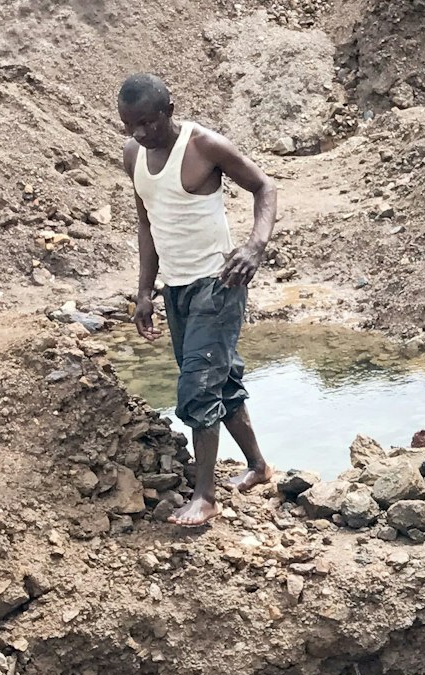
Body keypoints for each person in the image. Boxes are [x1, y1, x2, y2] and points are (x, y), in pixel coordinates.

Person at [119, 73, 280, 527]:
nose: (139, 134)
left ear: (168, 111)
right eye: (129, 125)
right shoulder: (133, 154)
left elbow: (264, 187)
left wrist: (254, 247)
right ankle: (258, 466)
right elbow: (146, 224)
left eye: (147, 123)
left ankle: (205, 497)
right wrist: (145, 291)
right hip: (177, 288)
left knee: (197, 387)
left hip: (218, 283)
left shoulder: (203, 145)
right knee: (220, 380)